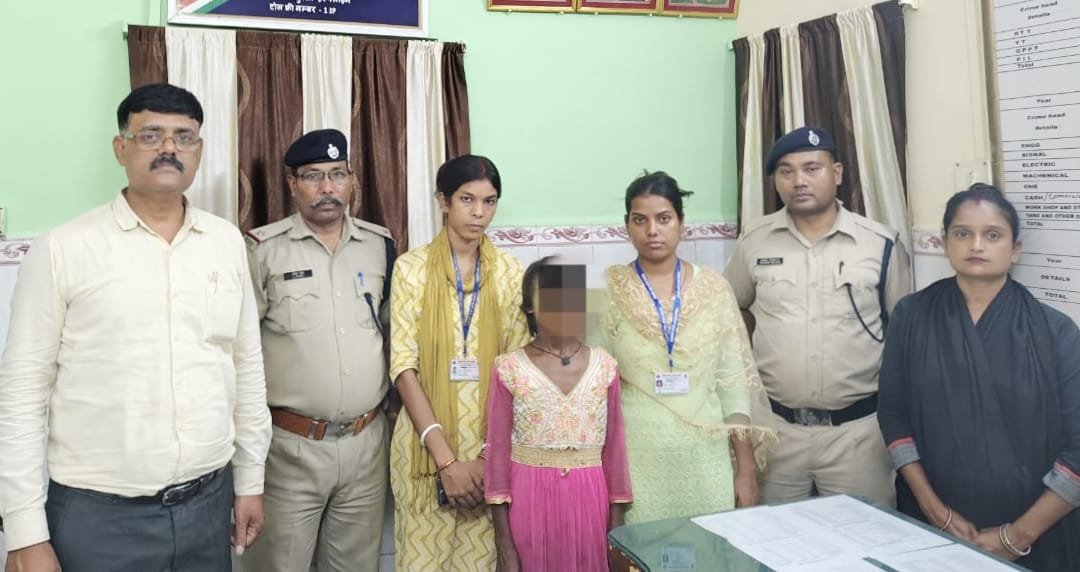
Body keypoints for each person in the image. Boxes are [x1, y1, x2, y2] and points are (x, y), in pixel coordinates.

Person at [0, 83, 271, 571]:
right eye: (150, 135)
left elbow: (246, 367)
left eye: (184, 137)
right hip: (98, 518)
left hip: (209, 505)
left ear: (199, 150)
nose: (169, 148)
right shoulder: (63, 249)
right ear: (120, 148)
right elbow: (20, 394)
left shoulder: (225, 243)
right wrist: (23, 532)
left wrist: (250, 480)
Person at [878, 183, 1080, 569]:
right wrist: (934, 511)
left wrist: (1017, 536)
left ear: (1015, 249)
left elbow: (1078, 449)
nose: (976, 245)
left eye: (992, 235)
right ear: (944, 243)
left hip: (1038, 533)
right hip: (932, 522)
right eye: (962, 233)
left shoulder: (1055, 332)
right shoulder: (911, 317)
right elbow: (892, 415)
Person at [724, 126, 912, 507]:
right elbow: (729, 310)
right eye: (787, 171)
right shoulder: (754, 241)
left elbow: (906, 331)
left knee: (861, 538)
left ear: (837, 173)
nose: (799, 181)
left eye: (812, 168)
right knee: (774, 538)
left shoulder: (879, 244)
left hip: (857, 437)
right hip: (777, 433)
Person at [242, 129, 394, 572]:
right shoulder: (262, 251)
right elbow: (240, 351)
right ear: (292, 184)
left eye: (337, 174)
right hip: (290, 450)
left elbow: (392, 335)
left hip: (366, 445)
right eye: (313, 176)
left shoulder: (379, 246)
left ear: (351, 180)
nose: (328, 187)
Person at [601, 171, 773, 523]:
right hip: (637, 461)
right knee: (643, 548)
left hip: (705, 460)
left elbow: (734, 385)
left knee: (708, 546)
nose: (652, 231)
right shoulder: (608, 290)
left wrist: (745, 470)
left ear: (682, 223)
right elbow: (594, 387)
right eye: (640, 220)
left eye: (664, 219)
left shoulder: (715, 288)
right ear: (627, 225)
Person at [388, 154, 530, 570]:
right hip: (424, 448)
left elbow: (517, 375)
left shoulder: (510, 273)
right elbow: (403, 367)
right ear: (443, 201)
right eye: (467, 199)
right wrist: (446, 461)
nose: (479, 213)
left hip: (491, 450)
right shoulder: (411, 270)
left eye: (489, 201)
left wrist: (487, 460)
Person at [486, 258, 632, 571]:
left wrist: (617, 534)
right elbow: (496, 458)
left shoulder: (605, 367)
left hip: (590, 501)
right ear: (530, 307)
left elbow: (615, 453)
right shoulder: (509, 368)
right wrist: (504, 544)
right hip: (529, 501)